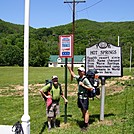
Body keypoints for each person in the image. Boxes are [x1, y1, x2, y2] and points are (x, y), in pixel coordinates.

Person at [67, 65, 94, 130]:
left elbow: (91, 88)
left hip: (84, 97)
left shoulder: (85, 80)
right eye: (78, 71)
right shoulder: (79, 77)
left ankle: (86, 125)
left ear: (83, 72)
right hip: (80, 96)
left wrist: (83, 85)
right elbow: (73, 75)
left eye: (80, 71)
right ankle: (85, 121)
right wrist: (69, 69)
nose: (79, 72)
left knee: (86, 111)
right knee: (82, 109)